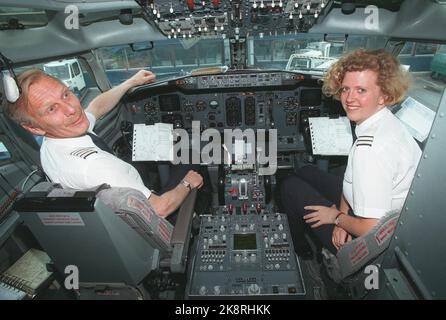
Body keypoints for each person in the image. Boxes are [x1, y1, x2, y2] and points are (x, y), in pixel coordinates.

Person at [5, 68, 204, 219]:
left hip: (123, 196)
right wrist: (187, 183)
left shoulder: (53, 142)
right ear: (34, 129)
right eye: (51, 109)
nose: (72, 109)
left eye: (65, 94)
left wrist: (129, 83)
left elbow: (95, 107)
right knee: (193, 152)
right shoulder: (95, 167)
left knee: (150, 143)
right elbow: (160, 209)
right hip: (150, 214)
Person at [281, 49, 421, 255]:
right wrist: (342, 211)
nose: (349, 98)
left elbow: (373, 228)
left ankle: (301, 249)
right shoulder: (383, 123)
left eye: (361, 90)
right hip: (377, 209)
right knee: (306, 171)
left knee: (290, 186)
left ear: (384, 95)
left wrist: (337, 219)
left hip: (376, 240)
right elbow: (351, 181)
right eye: (345, 89)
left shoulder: (371, 150)